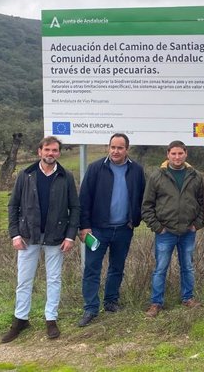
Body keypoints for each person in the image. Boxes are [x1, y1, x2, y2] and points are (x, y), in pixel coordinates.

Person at [2, 136, 79, 342]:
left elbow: (75, 207)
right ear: (39, 151)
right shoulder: (26, 174)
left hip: (56, 235)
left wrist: (70, 236)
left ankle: (51, 319)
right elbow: (13, 205)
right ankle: (20, 319)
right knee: (24, 280)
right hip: (28, 236)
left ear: (59, 153)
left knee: (54, 279)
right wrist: (15, 234)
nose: (50, 153)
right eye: (47, 150)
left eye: (54, 150)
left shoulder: (66, 176)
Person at [78, 133, 146, 326]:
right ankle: (90, 308)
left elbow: (141, 197)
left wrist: (135, 220)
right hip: (97, 231)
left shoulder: (136, 170)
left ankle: (111, 302)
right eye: (113, 147)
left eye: (120, 148)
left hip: (124, 229)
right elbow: (84, 200)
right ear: (108, 147)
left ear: (127, 149)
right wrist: (84, 227)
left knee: (117, 268)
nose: (116, 151)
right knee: (92, 268)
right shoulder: (96, 168)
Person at [142, 141, 204, 317]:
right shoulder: (157, 176)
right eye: (173, 154)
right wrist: (157, 227)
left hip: (187, 231)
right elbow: (147, 205)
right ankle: (156, 303)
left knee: (188, 267)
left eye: (180, 153)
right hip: (165, 232)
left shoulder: (196, 176)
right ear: (168, 154)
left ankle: (188, 298)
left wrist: (197, 224)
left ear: (186, 154)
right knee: (161, 268)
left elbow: (202, 202)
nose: (177, 157)